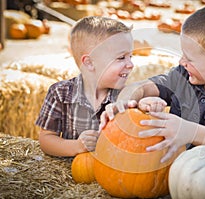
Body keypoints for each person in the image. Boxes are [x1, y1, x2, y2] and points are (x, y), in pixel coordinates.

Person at [100, 2, 205, 163]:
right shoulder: (183, 76)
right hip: (171, 172)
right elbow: (144, 87)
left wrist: (188, 131)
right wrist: (127, 100)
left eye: (189, 59)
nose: (181, 61)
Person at [35, 16, 134, 157]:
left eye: (131, 56)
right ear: (89, 63)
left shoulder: (126, 98)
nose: (131, 64)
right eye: (121, 58)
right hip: (73, 171)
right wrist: (76, 146)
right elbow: (46, 140)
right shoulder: (60, 93)